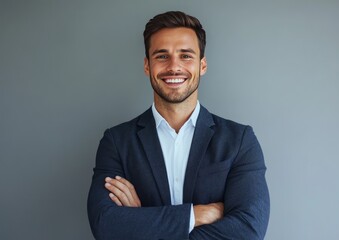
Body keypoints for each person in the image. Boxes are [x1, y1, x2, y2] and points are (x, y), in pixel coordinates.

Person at [87, 11, 270, 240]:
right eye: (162, 56)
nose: (174, 67)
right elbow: (106, 226)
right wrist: (195, 215)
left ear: (202, 65)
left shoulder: (240, 140)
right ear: (147, 66)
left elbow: (248, 232)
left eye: (186, 56)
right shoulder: (117, 142)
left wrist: (142, 221)